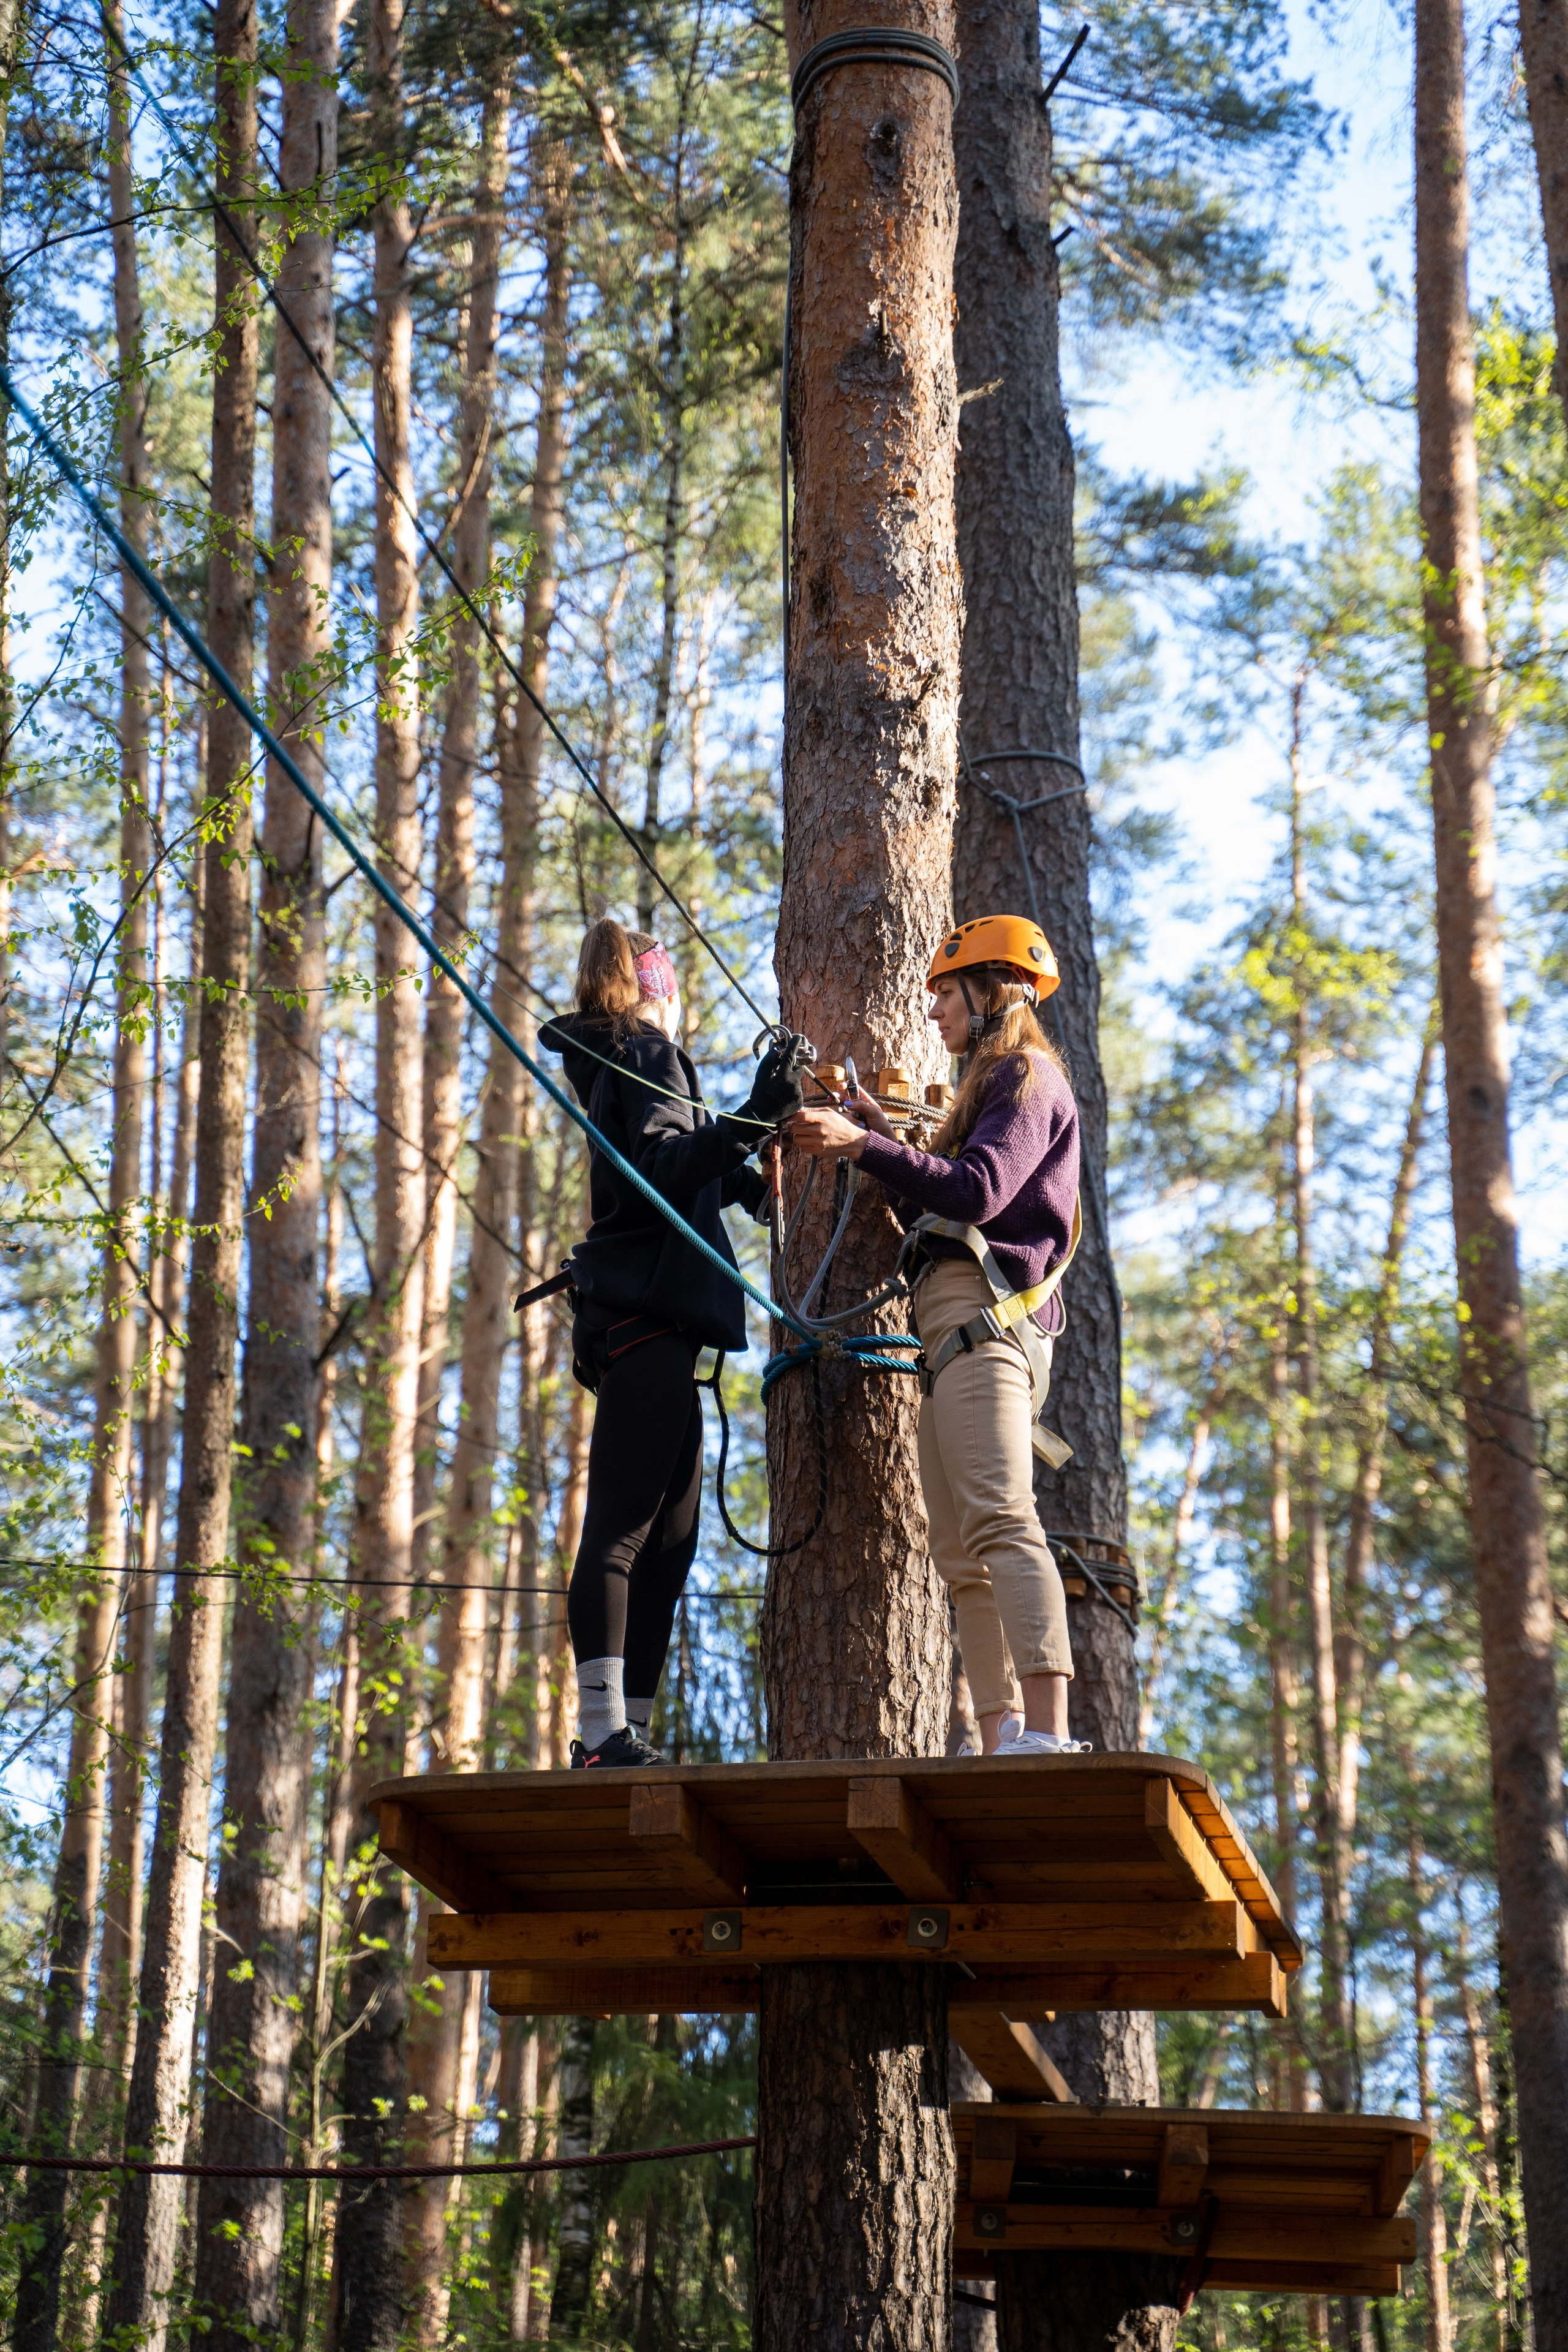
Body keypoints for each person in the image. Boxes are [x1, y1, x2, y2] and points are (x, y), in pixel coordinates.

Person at [788, 915, 1088, 1757]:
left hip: (986, 1327)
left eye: (947, 994)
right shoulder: (991, 1088)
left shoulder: (1029, 1077)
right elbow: (937, 1205)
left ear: (997, 992)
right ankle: (1003, 1737)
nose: (933, 1013)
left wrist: (865, 1144)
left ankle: (1051, 1732)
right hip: (949, 1336)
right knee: (959, 1550)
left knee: (1002, 1518)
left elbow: (980, 1192)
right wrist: (876, 1141)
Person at [538, 918, 807, 1767]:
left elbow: (685, 1165)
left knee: (671, 1540)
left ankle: (627, 1731)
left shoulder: (625, 1066)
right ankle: (603, 1735)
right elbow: (662, 1166)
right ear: (660, 990)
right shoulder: (646, 1055)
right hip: (646, 1318)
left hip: (652, 1324)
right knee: (624, 1531)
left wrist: (753, 1161)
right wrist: (754, 1116)